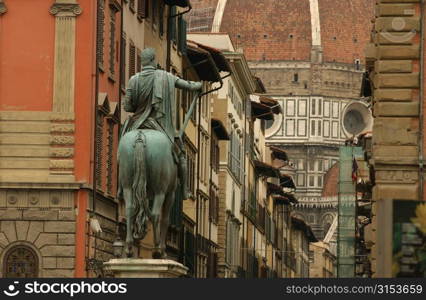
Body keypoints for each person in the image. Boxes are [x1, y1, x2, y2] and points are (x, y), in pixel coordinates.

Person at [121, 48, 202, 200]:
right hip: (159, 126)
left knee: (122, 146)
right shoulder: (166, 77)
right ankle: (184, 190)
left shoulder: (133, 80)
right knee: (181, 155)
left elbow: (127, 107)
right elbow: (188, 86)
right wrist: (198, 86)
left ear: (142, 62)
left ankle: (121, 187)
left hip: (137, 124)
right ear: (153, 61)